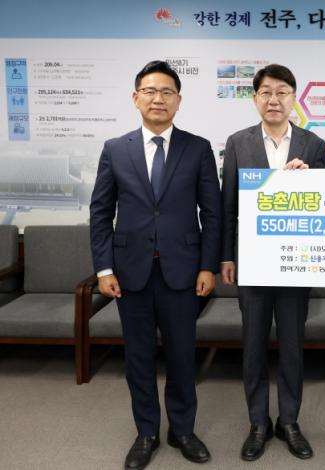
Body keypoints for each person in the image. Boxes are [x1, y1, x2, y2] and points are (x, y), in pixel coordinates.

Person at [90, 60, 221, 470]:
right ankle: (146, 431)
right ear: (136, 98)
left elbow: (212, 213)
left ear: (179, 100)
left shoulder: (198, 148)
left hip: (183, 272)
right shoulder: (115, 149)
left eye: (167, 92)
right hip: (130, 273)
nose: (158, 98)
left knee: (182, 356)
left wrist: (208, 266)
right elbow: (100, 212)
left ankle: (182, 430)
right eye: (150, 91)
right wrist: (104, 269)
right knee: (139, 357)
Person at [220, 64, 325, 461]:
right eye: (266, 92)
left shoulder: (313, 144)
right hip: (252, 262)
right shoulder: (238, 142)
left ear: (294, 98)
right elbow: (228, 204)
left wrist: (307, 180)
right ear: (255, 99)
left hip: (296, 261)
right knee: (253, 345)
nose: (274, 99)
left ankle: (289, 421)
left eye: (282, 92)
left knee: (293, 346)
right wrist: (227, 255)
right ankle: (258, 423)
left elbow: (324, 203)